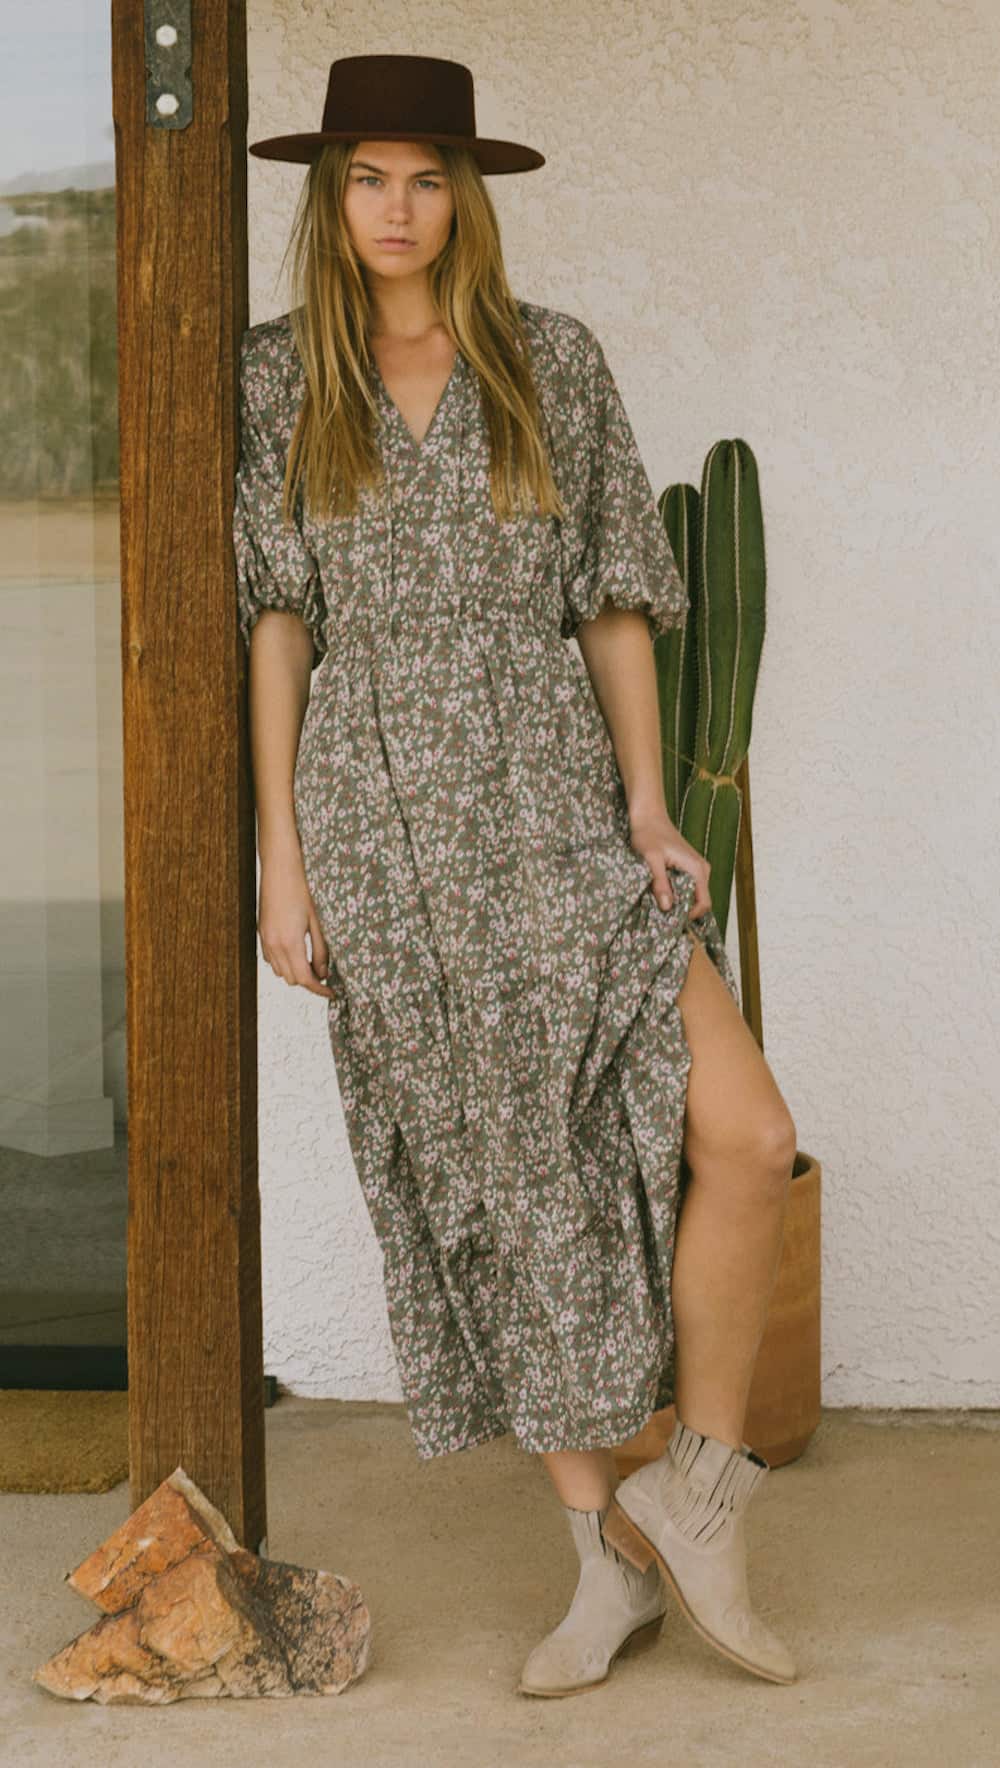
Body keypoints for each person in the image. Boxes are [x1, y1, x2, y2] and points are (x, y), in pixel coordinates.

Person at [234, 54, 799, 1699]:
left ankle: (694, 1495)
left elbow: (613, 599)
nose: (396, 209)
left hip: (554, 804)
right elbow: (282, 622)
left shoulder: (552, 362)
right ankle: (596, 1566)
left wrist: (648, 808)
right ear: (329, 197)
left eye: (424, 178)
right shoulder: (280, 383)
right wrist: (283, 856)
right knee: (501, 1198)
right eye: (366, 178)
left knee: (745, 1133)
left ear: (464, 197)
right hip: (387, 832)